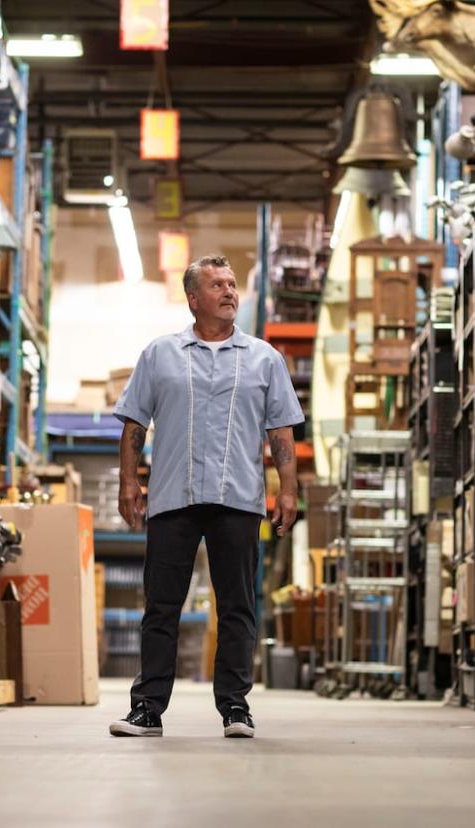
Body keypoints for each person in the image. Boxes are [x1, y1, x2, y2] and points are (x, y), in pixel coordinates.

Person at [108, 254, 305, 739]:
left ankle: (236, 707)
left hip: (238, 497)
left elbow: (281, 431)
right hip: (174, 495)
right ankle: (148, 708)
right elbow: (135, 421)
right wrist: (129, 482)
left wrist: (288, 490)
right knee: (161, 605)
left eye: (233, 283)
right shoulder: (160, 354)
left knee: (238, 605)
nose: (230, 291)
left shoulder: (264, 358)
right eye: (218, 285)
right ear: (194, 299)